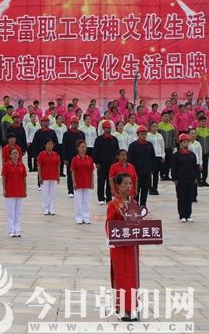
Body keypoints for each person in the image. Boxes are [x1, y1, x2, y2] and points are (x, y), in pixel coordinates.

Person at [106, 173, 139, 321]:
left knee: (132, 276)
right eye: (125, 183)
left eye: (130, 183)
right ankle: (121, 308)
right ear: (118, 186)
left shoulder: (134, 203)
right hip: (119, 247)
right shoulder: (113, 204)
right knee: (120, 275)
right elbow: (108, 224)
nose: (128, 186)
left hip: (132, 247)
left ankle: (132, 308)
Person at [172, 134, 198, 222]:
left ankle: (188, 215)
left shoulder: (192, 155)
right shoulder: (176, 155)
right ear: (180, 143)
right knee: (181, 197)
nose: (186, 144)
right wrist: (174, 179)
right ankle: (182, 215)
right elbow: (174, 168)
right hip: (180, 179)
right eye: (184, 142)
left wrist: (196, 177)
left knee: (189, 197)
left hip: (190, 179)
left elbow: (195, 167)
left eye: (187, 142)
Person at [1, 147, 26, 237]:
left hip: (20, 191)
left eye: (17, 153)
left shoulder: (21, 165)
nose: (15, 155)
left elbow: (24, 178)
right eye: (13, 153)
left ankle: (17, 230)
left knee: (18, 213)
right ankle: (11, 230)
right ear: (10, 155)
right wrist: (4, 189)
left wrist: (25, 190)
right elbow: (4, 178)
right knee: (11, 213)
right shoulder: (6, 165)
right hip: (10, 191)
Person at [127, 126, 155, 207]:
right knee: (136, 189)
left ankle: (143, 205)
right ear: (138, 135)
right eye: (142, 134)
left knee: (145, 189)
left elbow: (153, 157)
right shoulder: (133, 145)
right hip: (136, 172)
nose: (144, 136)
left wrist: (151, 169)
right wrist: (131, 171)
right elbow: (130, 160)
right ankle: (135, 205)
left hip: (147, 171)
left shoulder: (149, 145)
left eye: (145, 134)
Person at [93, 120, 120, 204]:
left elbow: (117, 152)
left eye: (109, 128)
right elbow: (95, 152)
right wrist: (97, 163)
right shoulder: (99, 139)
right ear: (103, 128)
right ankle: (101, 198)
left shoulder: (114, 139)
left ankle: (109, 198)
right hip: (101, 164)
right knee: (101, 181)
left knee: (110, 181)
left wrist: (116, 163)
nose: (108, 129)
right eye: (107, 128)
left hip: (112, 165)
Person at [71, 140, 95, 225]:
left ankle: (86, 217)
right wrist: (74, 182)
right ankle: (79, 217)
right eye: (82, 147)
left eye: (85, 147)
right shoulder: (75, 159)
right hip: (78, 182)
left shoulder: (89, 159)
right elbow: (73, 172)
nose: (84, 149)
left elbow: (92, 171)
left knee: (86, 201)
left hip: (87, 182)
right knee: (78, 201)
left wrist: (92, 181)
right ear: (78, 148)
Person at [62, 116, 85, 197]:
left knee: (80, 173)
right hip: (70, 157)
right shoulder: (66, 134)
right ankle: (70, 190)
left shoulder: (81, 134)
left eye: (76, 123)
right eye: (73, 123)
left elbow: (83, 146)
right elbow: (64, 147)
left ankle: (79, 187)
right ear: (71, 123)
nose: (75, 124)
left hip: (80, 157)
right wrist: (65, 158)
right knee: (70, 173)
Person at [37, 139, 60, 215]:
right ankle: (45, 209)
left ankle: (52, 208)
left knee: (52, 194)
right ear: (45, 145)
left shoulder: (55, 154)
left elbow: (58, 166)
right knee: (45, 194)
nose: (50, 146)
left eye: (51, 144)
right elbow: (39, 166)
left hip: (54, 176)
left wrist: (58, 176)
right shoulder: (41, 154)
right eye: (49, 144)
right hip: (45, 177)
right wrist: (40, 177)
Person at [146, 121, 165, 195]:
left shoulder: (159, 135)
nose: (155, 128)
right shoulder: (148, 135)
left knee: (156, 173)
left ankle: (155, 188)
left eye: (156, 126)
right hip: (150, 157)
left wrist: (163, 155)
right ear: (150, 127)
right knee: (150, 173)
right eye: (153, 126)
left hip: (158, 156)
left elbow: (162, 145)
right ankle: (149, 188)